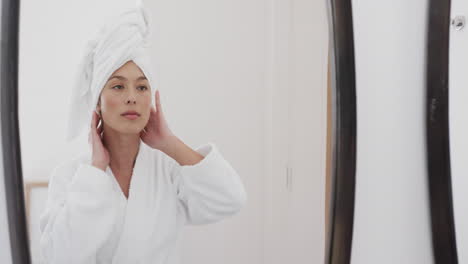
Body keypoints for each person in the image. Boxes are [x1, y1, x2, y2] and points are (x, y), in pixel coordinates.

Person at [38, 4, 247, 264]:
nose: (131, 98)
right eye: (117, 86)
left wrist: (170, 143)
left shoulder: (169, 169)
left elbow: (231, 200)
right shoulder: (71, 176)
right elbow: (59, 256)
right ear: (97, 103)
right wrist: (96, 170)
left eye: (141, 87)